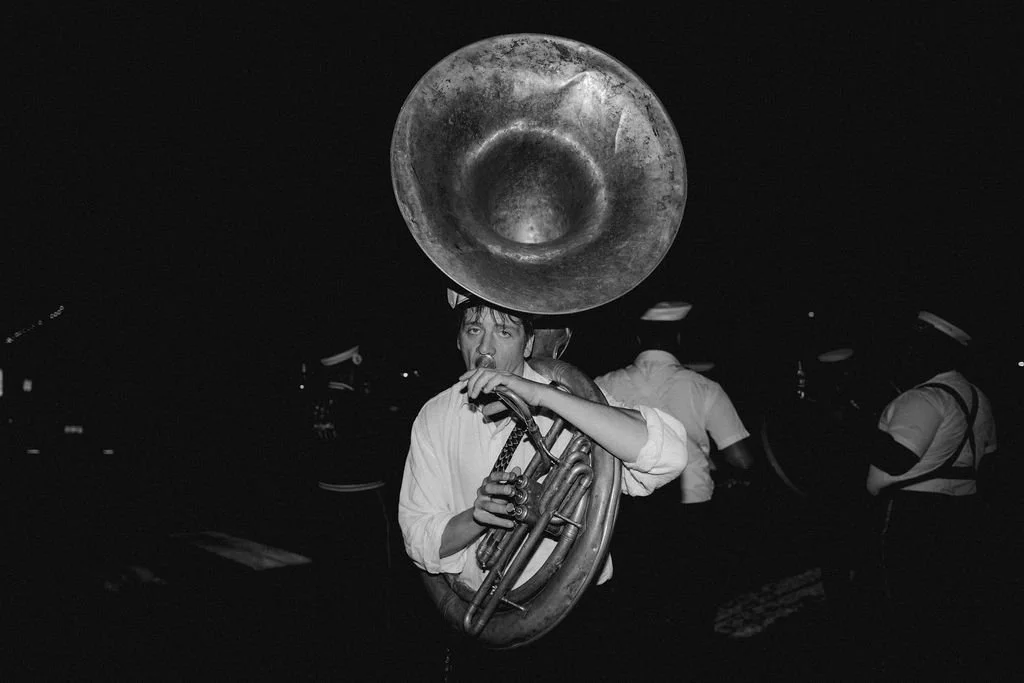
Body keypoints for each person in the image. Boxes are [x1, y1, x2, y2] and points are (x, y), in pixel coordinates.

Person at [398, 290, 689, 682]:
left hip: (576, 621)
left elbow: (669, 455)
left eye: (504, 331)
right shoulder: (435, 416)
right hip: (486, 624)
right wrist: (477, 516)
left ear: (528, 342)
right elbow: (418, 536)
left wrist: (542, 395)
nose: (485, 348)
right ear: (458, 339)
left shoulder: (572, 400)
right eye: (473, 330)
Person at [594, 301, 755, 679]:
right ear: (679, 338)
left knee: (634, 610)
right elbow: (743, 459)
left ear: (637, 339)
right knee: (691, 609)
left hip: (626, 516)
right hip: (690, 512)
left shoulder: (602, 385)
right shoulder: (704, 387)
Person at [865, 309, 998, 679]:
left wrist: (853, 424)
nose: (908, 353)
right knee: (947, 599)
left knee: (905, 601)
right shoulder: (979, 397)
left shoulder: (922, 399)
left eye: (917, 346)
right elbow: (989, 460)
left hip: (915, 512)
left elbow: (896, 459)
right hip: (963, 509)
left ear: (938, 351)